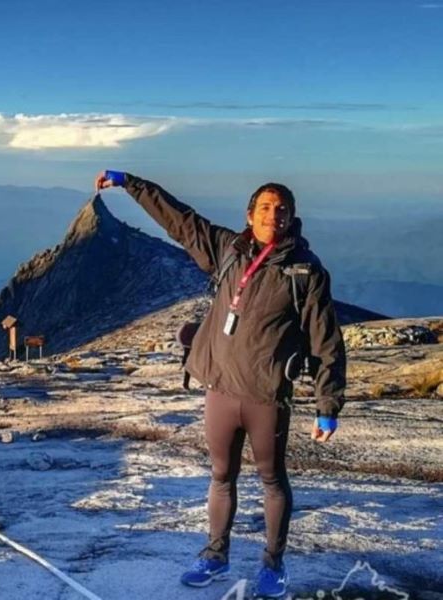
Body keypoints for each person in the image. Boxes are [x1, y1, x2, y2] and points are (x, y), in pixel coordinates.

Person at [95, 170, 346, 598]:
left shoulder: (306, 272)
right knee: (221, 476)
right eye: (265, 208)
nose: (274, 214)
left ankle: (272, 564)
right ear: (249, 215)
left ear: (292, 218)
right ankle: (215, 554)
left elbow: (326, 340)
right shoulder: (228, 249)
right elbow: (178, 220)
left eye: (282, 209)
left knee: (271, 480)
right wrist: (129, 183)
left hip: (267, 395)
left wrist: (328, 404)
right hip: (221, 391)